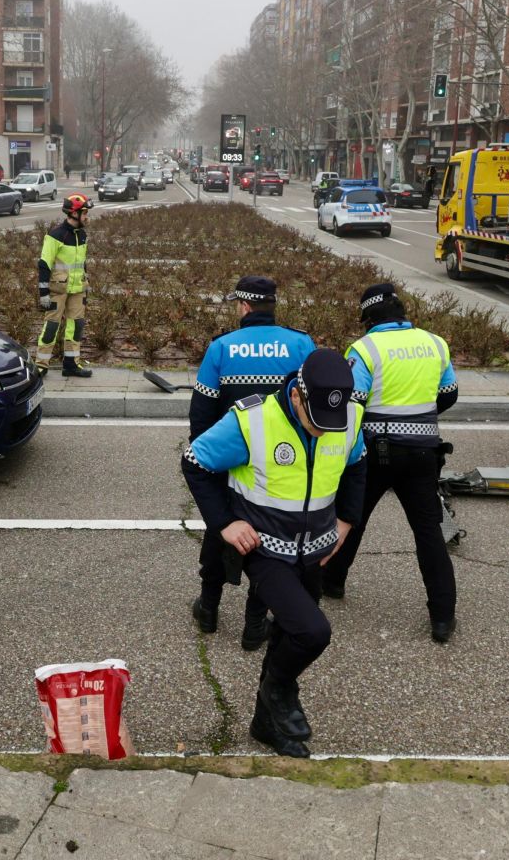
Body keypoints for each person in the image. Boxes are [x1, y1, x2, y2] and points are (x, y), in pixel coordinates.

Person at [183, 350, 367, 758]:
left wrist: (347, 521)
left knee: (286, 635)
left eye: (329, 425)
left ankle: (265, 725)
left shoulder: (349, 416)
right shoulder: (252, 420)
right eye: (315, 422)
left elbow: (357, 465)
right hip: (266, 550)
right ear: (298, 396)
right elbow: (194, 460)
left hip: (316, 550)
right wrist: (225, 524)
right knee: (312, 631)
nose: (322, 432)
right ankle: (280, 689)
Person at [320, 283, 460, 641]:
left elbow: (353, 403)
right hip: (424, 452)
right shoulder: (435, 343)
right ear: (401, 313)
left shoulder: (364, 349)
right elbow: (448, 394)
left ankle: (333, 582)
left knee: (351, 518)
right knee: (428, 532)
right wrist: (420, 419)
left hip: (376, 452)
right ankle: (442, 618)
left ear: (368, 319)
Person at [187, 276, 315, 651]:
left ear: (243, 307)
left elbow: (202, 414)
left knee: (220, 531)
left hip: (231, 457)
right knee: (269, 544)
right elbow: (310, 405)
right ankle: (254, 625)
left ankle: (208, 610)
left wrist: (209, 457)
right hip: (279, 463)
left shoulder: (222, 347)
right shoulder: (301, 344)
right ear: (271, 306)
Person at [37, 193, 94, 378]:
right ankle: (41, 365)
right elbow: (44, 264)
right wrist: (43, 292)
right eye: (84, 213)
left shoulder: (82, 235)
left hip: (77, 290)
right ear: (74, 213)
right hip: (57, 290)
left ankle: (71, 365)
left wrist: (86, 282)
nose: (87, 216)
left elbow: (81, 262)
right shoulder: (56, 235)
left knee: (76, 326)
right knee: (51, 326)